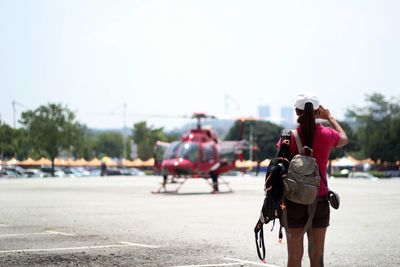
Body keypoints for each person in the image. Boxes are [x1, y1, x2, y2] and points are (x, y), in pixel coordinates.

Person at [284, 93, 348, 267]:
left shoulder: (288, 137)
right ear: (318, 111)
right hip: (320, 201)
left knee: (294, 258)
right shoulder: (328, 134)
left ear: (297, 112)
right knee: (317, 256)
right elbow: (344, 139)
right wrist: (330, 117)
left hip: (294, 202)